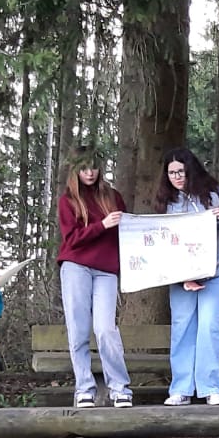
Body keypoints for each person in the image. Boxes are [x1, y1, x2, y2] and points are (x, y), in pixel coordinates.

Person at [152, 147, 219, 406]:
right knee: (182, 328)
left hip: (215, 273)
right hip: (180, 278)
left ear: (191, 170)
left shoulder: (213, 194)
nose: (177, 177)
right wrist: (183, 277)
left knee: (209, 327)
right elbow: (161, 244)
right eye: (171, 173)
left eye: (181, 171)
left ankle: (211, 388)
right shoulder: (165, 202)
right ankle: (181, 389)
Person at [55, 148, 131, 408]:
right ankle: (84, 389)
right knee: (78, 330)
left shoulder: (113, 197)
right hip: (76, 266)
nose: (89, 172)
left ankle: (119, 388)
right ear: (75, 170)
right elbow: (72, 239)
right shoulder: (68, 200)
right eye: (84, 168)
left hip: (107, 270)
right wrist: (102, 225)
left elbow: (127, 232)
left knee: (106, 329)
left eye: (94, 167)